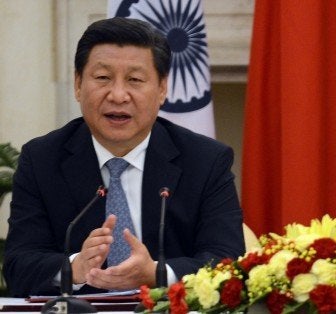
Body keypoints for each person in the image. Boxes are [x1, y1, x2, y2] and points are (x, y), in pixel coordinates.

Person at [3, 17, 245, 297]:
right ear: (78, 84)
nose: (118, 95)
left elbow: (228, 263)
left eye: (135, 80)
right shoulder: (42, 159)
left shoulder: (205, 160)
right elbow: (18, 265)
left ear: (162, 89)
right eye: (103, 78)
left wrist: (157, 273)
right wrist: (75, 267)